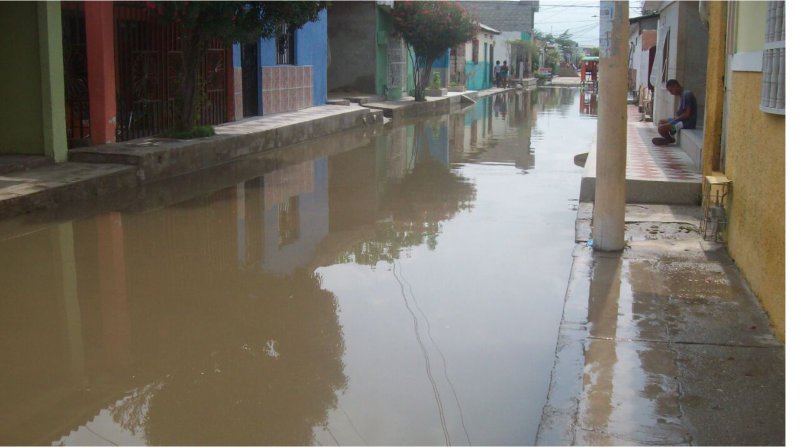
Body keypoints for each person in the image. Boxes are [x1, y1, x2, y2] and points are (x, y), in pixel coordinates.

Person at [656, 79, 697, 145]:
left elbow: (687, 114)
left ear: (675, 86)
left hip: (687, 123)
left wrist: (675, 120)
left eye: (671, 90)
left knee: (661, 128)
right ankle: (671, 133)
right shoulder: (682, 95)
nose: (671, 93)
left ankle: (670, 139)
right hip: (681, 120)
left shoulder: (687, 94)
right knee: (661, 121)